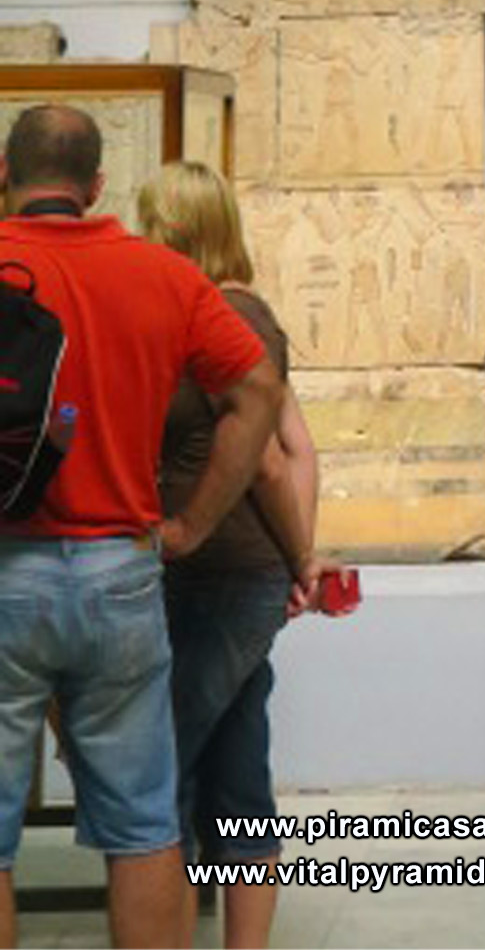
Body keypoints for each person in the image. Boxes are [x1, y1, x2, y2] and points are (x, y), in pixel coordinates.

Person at [0, 106, 282, 950]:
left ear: (5, 175)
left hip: (5, 574)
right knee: (142, 824)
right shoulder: (163, 275)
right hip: (122, 571)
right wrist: (192, 521)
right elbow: (257, 393)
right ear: (95, 185)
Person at [138, 162, 320, 950]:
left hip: (212, 573)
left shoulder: (220, 317)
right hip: (242, 574)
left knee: (158, 780)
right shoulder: (244, 315)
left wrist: (300, 558)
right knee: (236, 774)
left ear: (172, 229)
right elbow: (299, 447)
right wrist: (296, 557)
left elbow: (272, 461)